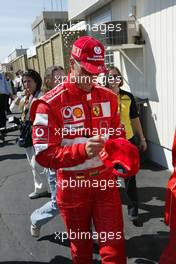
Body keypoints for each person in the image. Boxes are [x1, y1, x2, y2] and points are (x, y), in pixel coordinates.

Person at [30, 36, 127, 263]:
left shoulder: (110, 97)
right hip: (72, 186)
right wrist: (82, 150)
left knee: (114, 248)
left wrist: (124, 155)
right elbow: (44, 154)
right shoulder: (49, 103)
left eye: (96, 72)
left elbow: (117, 136)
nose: (91, 78)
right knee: (81, 251)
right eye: (86, 70)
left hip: (105, 184)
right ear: (72, 64)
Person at [107, 66, 147, 221]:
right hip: (108, 143)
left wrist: (142, 138)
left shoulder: (128, 97)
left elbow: (135, 120)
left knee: (130, 177)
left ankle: (133, 211)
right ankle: (109, 214)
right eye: (109, 76)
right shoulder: (101, 96)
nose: (113, 79)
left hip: (126, 143)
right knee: (108, 179)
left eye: (116, 76)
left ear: (120, 78)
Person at [30, 66, 66, 237]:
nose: (62, 81)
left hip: (76, 161)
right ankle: (36, 219)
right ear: (48, 81)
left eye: (64, 77)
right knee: (58, 203)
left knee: (84, 200)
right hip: (56, 163)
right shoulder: (44, 104)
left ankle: (91, 235)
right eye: (58, 78)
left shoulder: (71, 98)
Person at [21, 69, 48, 199]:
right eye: (24, 81)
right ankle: (41, 187)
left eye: (29, 81)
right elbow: (13, 108)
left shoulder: (40, 96)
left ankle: (43, 188)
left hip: (38, 133)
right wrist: (23, 97)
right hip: (27, 133)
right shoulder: (28, 96)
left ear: (36, 82)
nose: (27, 84)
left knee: (37, 162)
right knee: (33, 162)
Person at [0, 72, 10, 141]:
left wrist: (9, 93)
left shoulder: (2, 76)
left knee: (3, 114)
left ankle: (3, 129)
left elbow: (6, 85)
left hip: (3, 96)